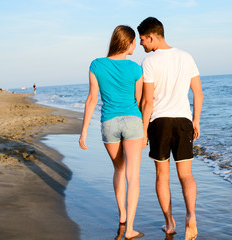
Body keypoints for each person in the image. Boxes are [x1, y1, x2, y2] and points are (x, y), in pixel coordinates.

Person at [138, 17, 203, 240]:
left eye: (143, 40)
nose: (141, 44)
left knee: (162, 175)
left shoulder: (149, 62)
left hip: (160, 122)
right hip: (183, 121)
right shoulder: (186, 57)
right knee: (186, 174)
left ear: (152, 36)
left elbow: (147, 102)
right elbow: (198, 92)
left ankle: (170, 223)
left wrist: (144, 130)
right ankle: (191, 216)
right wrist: (196, 120)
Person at [79, 25, 144, 240]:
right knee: (132, 176)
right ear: (127, 43)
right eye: (134, 41)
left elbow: (92, 99)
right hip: (133, 122)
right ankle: (131, 229)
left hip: (109, 123)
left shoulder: (96, 65)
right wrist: (146, 130)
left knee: (119, 170)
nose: (136, 45)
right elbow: (140, 101)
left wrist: (84, 132)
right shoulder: (135, 69)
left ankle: (122, 216)